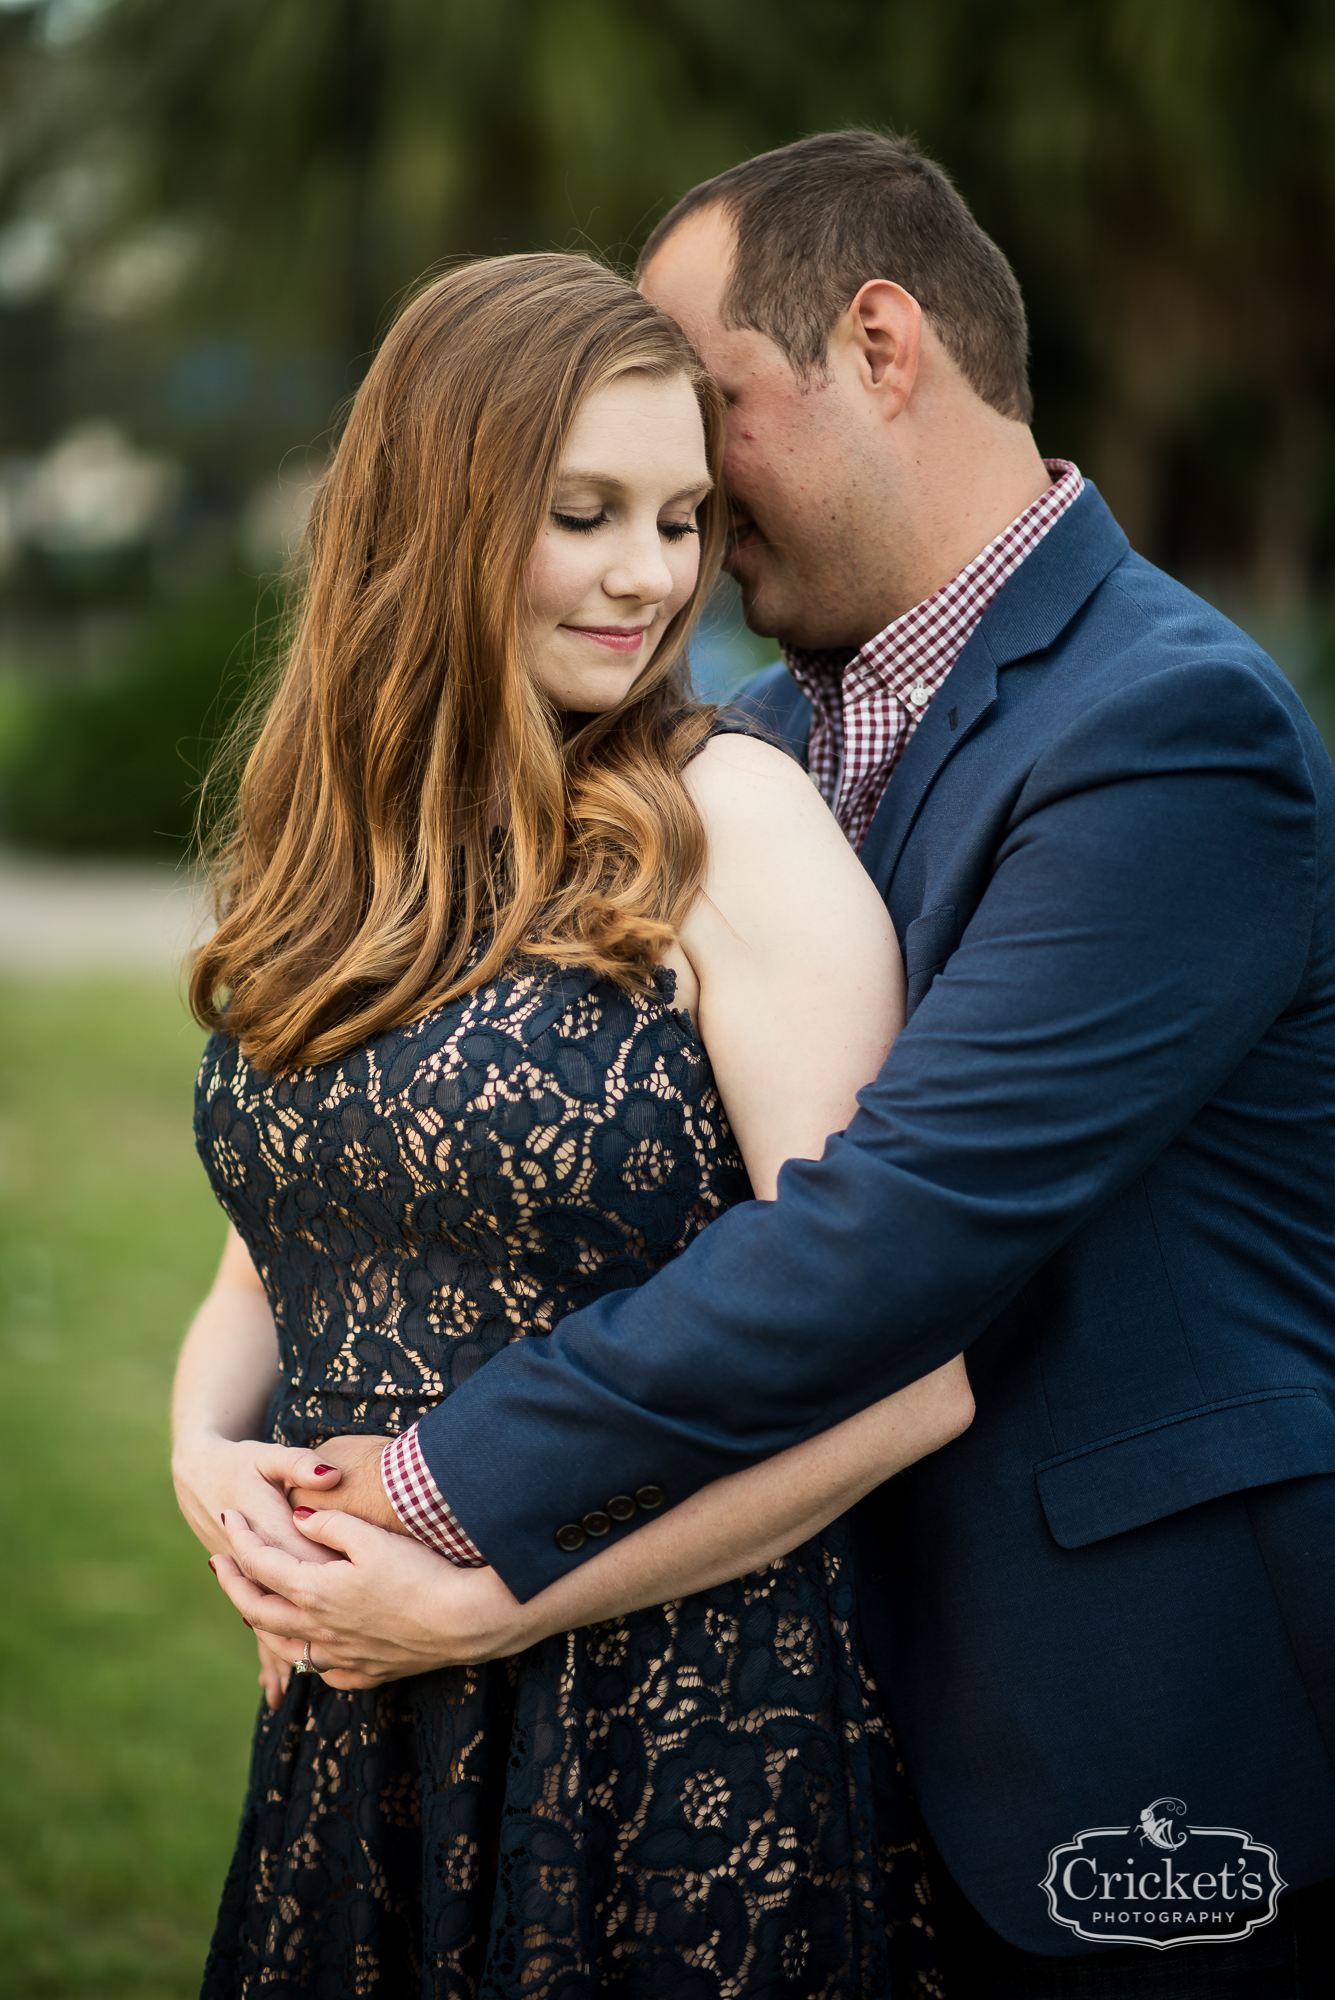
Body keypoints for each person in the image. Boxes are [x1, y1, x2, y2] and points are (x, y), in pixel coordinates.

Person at [211, 134, 1335, 1996]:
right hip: (764, 1676)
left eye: (714, 416)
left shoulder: (1169, 731)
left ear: (879, 346)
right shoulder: (741, 736)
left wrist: (429, 1489)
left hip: (1121, 1698)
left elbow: (884, 1235)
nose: (688, 516)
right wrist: (226, 1446)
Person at [175, 250, 974, 1998]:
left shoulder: (729, 823)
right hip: (355, 1730)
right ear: (438, 516)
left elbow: (911, 1371)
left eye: (682, 517)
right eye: (585, 512)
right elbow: (276, 1253)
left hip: (666, 1717)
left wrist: (485, 1608)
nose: (649, 578)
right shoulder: (339, 849)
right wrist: (201, 1458)